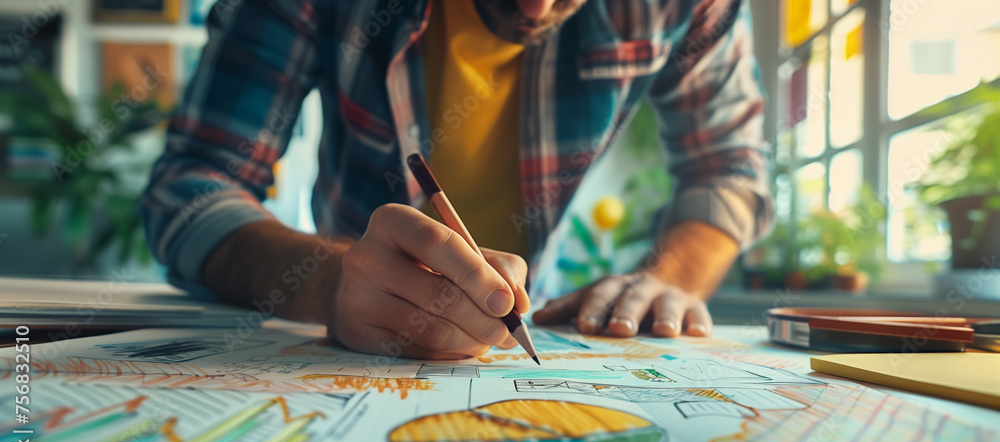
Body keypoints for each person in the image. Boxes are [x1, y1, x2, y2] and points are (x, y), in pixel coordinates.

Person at [140, 0, 773, 360]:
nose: (537, 7)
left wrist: (663, 280)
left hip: (516, 331)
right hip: (336, 339)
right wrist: (328, 283)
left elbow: (730, 169)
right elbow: (192, 183)